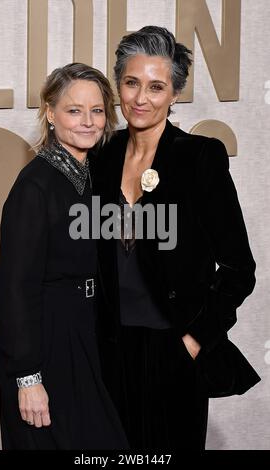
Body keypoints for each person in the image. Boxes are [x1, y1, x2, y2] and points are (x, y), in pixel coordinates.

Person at [93, 26, 260, 450]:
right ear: (118, 85)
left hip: (172, 348)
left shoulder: (199, 157)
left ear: (175, 94)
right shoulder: (102, 154)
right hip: (111, 349)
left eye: (156, 86)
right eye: (131, 83)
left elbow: (240, 271)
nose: (140, 98)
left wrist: (192, 339)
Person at [0, 62, 128, 450]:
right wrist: (27, 377)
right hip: (47, 343)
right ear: (51, 113)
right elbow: (15, 289)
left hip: (87, 331)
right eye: (74, 110)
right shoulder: (34, 186)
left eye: (97, 110)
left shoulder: (94, 177)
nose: (88, 121)